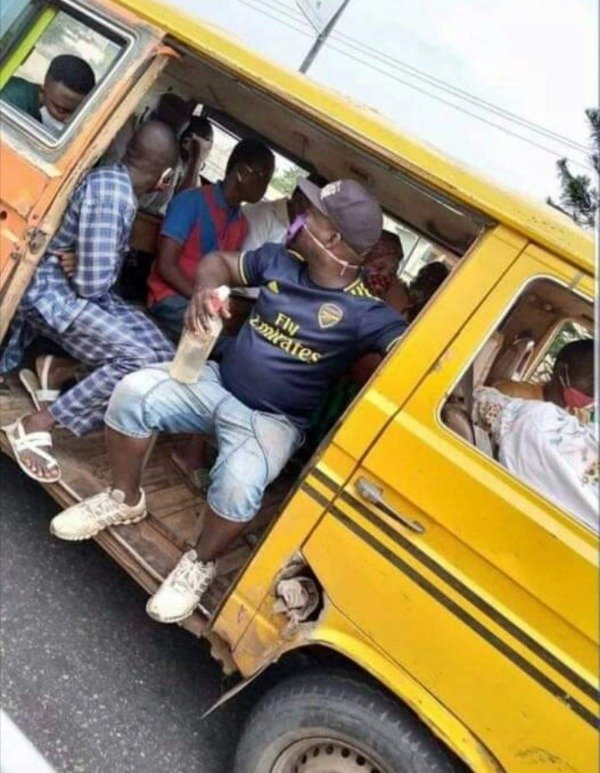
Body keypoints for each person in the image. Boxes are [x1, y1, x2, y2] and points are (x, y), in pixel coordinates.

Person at [49, 178, 407, 625]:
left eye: (309, 213)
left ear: (331, 237)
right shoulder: (279, 260)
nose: (297, 214)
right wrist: (204, 291)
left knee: (239, 486)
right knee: (133, 393)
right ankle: (124, 497)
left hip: (272, 421)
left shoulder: (365, 313)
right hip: (216, 383)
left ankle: (200, 561)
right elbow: (218, 262)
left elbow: (410, 353)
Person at [0, 121, 179, 483]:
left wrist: (88, 262)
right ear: (166, 175)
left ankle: (61, 372)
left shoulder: (118, 183)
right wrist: (92, 266)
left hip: (71, 289)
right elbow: (92, 286)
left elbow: (94, 276)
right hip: (50, 295)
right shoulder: (113, 194)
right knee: (138, 359)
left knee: (165, 353)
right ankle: (37, 423)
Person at [147, 138, 275, 340]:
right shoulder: (190, 201)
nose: (266, 187)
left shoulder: (242, 224)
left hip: (200, 303)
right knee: (224, 344)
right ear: (243, 173)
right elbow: (166, 266)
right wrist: (201, 300)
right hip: (168, 298)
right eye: (264, 177)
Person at [473, 339, 597, 531]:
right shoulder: (516, 398)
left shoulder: (578, 418)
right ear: (562, 370)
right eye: (591, 379)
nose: (594, 391)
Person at [139, 115, 214, 215]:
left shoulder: (192, 173)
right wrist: (196, 156)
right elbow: (183, 204)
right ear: (189, 139)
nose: (208, 150)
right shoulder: (167, 163)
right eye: (208, 142)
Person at [1, 54, 96, 132]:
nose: (68, 120)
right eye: (61, 110)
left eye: (76, 112)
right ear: (43, 91)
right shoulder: (11, 100)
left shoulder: (32, 101)